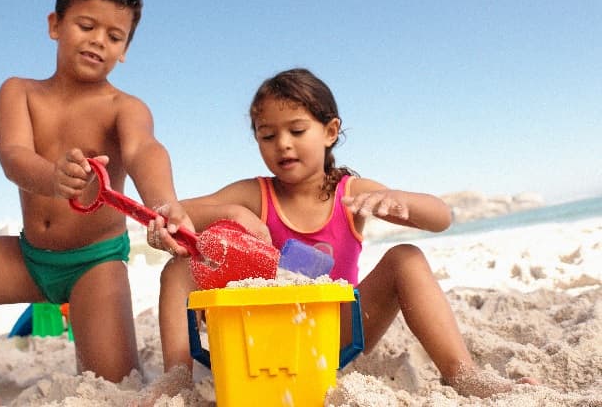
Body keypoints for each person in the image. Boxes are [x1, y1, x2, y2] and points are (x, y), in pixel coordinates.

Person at [142, 68, 537, 402]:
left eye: (297, 130)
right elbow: (178, 212)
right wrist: (227, 213)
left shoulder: (349, 193)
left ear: (330, 131)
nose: (282, 144)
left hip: (334, 337)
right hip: (256, 344)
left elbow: (442, 218)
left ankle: (463, 372)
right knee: (179, 267)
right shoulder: (255, 193)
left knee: (406, 257)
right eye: (267, 135)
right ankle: (177, 373)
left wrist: (400, 201)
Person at [0, 0, 192, 406]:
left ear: (126, 50)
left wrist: (163, 202)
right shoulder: (19, 92)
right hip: (29, 256)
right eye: (86, 26)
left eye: (115, 36)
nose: (98, 41)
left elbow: (144, 150)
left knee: (114, 388)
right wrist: (51, 179)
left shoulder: (124, 107)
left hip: (95, 266)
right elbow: (13, 155)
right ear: (55, 25)